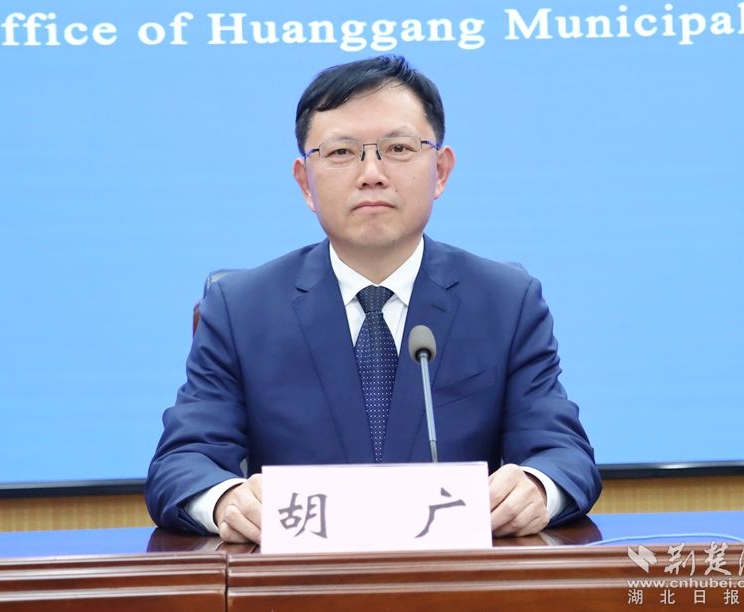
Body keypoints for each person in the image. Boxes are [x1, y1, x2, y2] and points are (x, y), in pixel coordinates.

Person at [145, 55, 601, 543]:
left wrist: (536, 487)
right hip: (298, 578)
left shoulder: (505, 302)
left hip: (454, 574)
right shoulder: (241, 310)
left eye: (398, 148)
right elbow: (182, 463)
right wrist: (226, 500)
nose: (372, 174)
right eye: (342, 152)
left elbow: (563, 454)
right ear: (304, 181)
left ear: (441, 170)